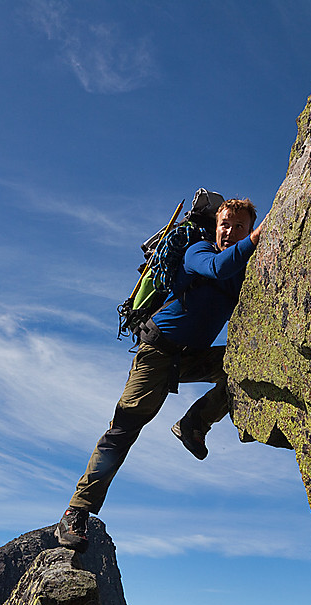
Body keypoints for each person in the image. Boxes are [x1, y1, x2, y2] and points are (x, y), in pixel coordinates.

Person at [55, 197, 263, 552]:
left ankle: (194, 423)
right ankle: (76, 513)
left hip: (191, 356)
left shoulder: (241, 266)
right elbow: (216, 268)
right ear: (215, 226)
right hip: (157, 351)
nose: (230, 231)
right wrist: (255, 239)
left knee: (247, 366)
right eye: (225, 223)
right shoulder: (198, 251)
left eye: (238, 226)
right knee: (124, 429)